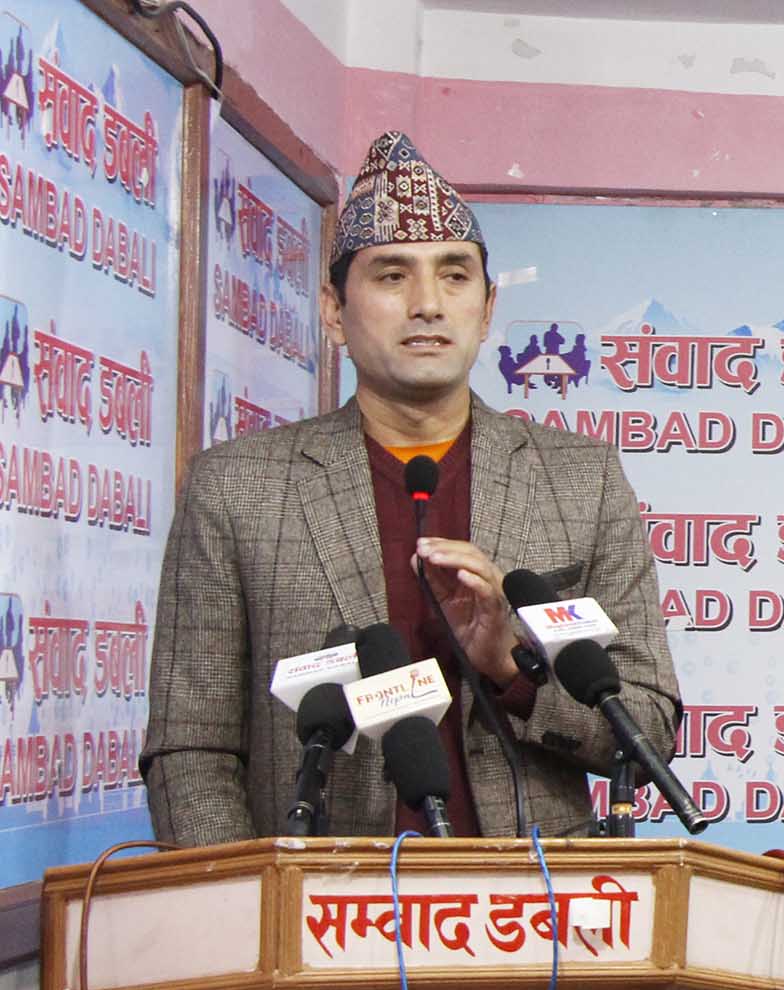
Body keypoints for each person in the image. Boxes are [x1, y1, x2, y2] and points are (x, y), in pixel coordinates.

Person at [142, 132, 678, 842]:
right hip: (318, 898)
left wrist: (509, 667)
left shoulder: (582, 480)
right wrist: (245, 895)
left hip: (535, 899)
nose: (428, 304)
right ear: (333, 310)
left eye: (454, 276)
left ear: (487, 309)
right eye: (392, 276)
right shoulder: (238, 488)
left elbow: (649, 726)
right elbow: (190, 749)